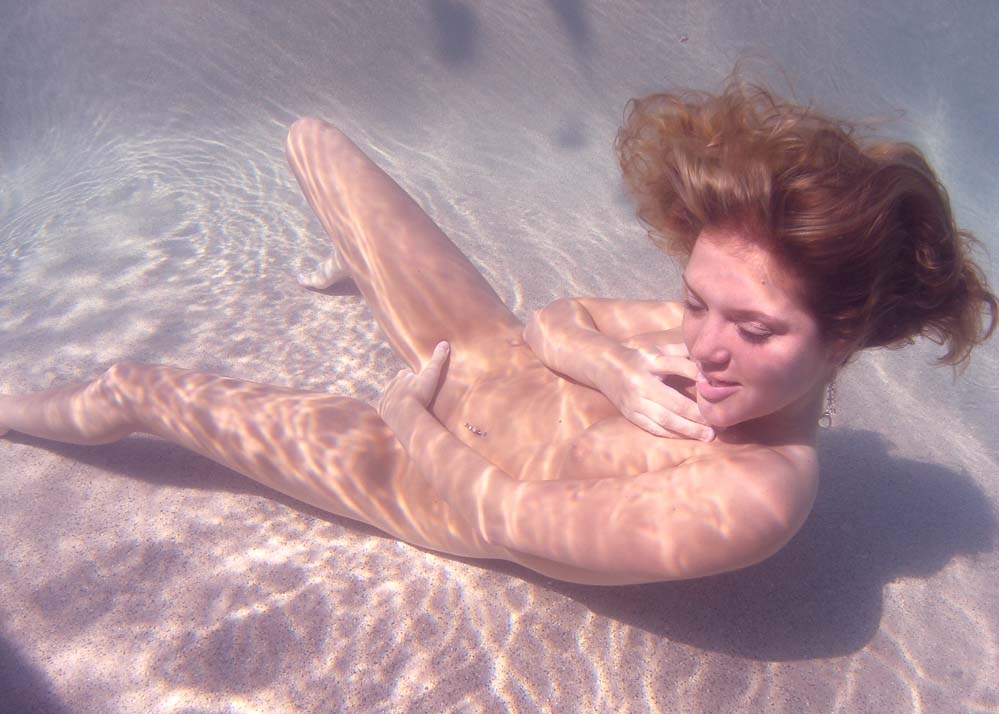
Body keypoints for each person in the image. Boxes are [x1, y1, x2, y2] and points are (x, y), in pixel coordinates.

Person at [2, 80, 995, 585]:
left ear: (841, 338)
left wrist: (409, 418)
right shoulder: (705, 337)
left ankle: (13, 408)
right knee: (313, 142)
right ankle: (361, 269)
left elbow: (502, 518)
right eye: (696, 299)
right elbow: (555, 318)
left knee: (135, 386)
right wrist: (608, 366)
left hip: (427, 463)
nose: (704, 346)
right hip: (482, 348)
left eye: (755, 328)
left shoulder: (758, 496)